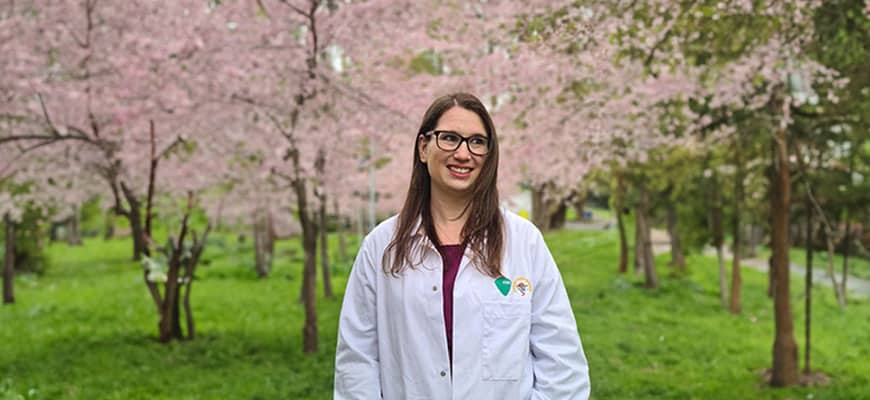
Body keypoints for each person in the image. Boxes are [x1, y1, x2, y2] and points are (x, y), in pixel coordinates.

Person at [334, 93, 590, 399]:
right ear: (423, 148)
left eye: (477, 142)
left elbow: (562, 363)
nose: (463, 153)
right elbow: (357, 362)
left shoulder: (525, 242)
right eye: (450, 138)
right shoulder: (381, 246)